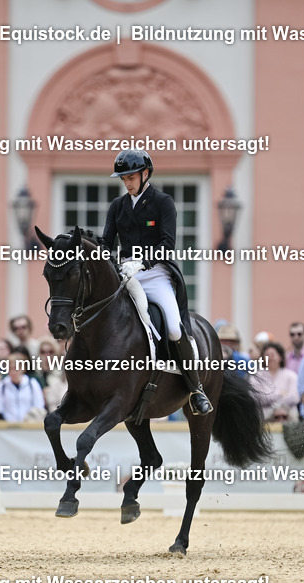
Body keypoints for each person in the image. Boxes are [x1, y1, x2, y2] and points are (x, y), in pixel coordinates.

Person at [99, 149, 212, 415]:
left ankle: (195, 388)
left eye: (131, 177)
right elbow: (106, 242)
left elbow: (167, 244)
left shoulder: (163, 202)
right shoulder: (117, 206)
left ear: (145, 174)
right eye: (123, 178)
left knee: (173, 327)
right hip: (126, 274)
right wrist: (105, 259)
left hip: (156, 274)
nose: (127, 183)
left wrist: (143, 262)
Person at [0, 346, 45, 422]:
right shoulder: (2, 386)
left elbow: (39, 407)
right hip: (8, 426)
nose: (13, 372)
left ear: (23, 368)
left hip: (29, 425)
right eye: (10, 368)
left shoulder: (32, 384)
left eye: (17, 368)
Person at [253, 342, 299, 422]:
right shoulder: (256, 377)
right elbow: (256, 398)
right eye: (267, 355)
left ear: (280, 357)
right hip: (265, 418)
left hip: (288, 417)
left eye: (273, 355)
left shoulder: (291, 375)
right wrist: (280, 394)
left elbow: (294, 397)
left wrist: (270, 398)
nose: (270, 358)